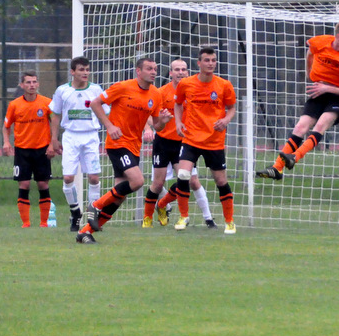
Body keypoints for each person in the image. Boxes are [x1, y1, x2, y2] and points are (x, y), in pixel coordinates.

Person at [76, 57, 172, 244]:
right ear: (138, 71)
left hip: (134, 147)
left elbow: (157, 126)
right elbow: (95, 103)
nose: (153, 72)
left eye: (155, 68)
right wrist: (110, 126)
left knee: (119, 197)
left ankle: (85, 232)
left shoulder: (155, 94)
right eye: (149, 68)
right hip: (117, 143)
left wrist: (163, 122)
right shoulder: (122, 87)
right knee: (137, 181)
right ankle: (95, 205)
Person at [257, 20, 339, 180]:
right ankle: (277, 168)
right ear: (338, 37)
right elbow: (310, 53)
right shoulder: (320, 42)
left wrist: (327, 88)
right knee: (300, 126)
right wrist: (310, 73)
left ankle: (295, 157)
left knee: (320, 125)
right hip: (320, 91)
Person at [165, 46, 239, 234]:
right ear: (199, 63)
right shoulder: (186, 83)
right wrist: (179, 122)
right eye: (207, 60)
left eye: (213, 60)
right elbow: (178, 104)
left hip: (214, 140)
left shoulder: (224, 85)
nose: (210, 63)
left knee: (220, 181)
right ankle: (184, 216)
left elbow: (232, 108)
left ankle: (229, 221)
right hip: (191, 138)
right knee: (183, 174)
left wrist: (226, 120)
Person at [141, 58, 217, 230]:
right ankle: (147, 218)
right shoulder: (161, 92)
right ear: (171, 73)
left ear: (188, 72)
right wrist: (148, 128)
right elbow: (148, 113)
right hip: (162, 142)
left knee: (191, 180)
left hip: (185, 142)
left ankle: (208, 219)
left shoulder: (194, 91)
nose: (180, 72)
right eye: (177, 69)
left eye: (183, 69)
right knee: (157, 184)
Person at [49, 57, 104, 232]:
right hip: (70, 137)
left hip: (91, 135)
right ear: (72, 72)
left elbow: (105, 112)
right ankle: (75, 212)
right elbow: (55, 114)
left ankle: (92, 213)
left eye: (87, 69)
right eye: (81, 69)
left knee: (94, 177)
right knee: (68, 178)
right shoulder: (62, 91)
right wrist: (54, 138)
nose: (85, 73)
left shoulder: (96, 90)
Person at [2, 71, 56, 228]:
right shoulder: (14, 105)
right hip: (22, 151)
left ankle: (44, 223)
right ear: (22, 85)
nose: (31, 85)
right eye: (28, 82)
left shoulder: (47, 103)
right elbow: (6, 126)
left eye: (34, 82)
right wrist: (6, 142)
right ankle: (26, 223)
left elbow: (54, 124)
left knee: (43, 184)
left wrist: (52, 144)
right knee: (24, 184)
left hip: (42, 150)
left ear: (38, 84)